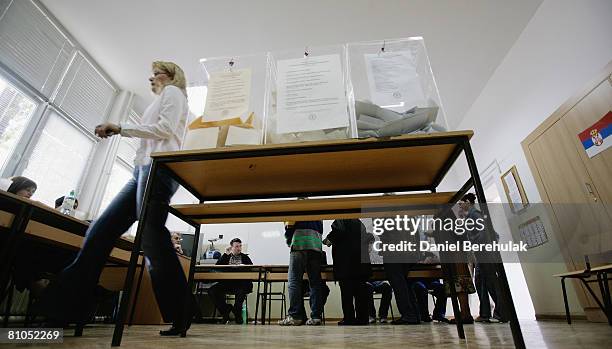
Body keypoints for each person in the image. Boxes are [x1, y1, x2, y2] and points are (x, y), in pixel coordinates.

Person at [37, 61, 193, 336]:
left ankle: (181, 313)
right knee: (100, 231)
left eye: (157, 73)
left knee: (151, 236)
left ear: (171, 76)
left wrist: (120, 128)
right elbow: (153, 134)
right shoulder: (161, 99)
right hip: (142, 169)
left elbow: (165, 129)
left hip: (158, 169)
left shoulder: (174, 93)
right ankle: (64, 309)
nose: (151, 78)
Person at [459, 193, 503, 323]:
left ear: (467, 201)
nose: (460, 206)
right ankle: (485, 313)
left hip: (485, 254)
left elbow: (485, 234)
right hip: (483, 254)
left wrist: (474, 244)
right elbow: (495, 235)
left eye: (461, 203)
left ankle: (502, 312)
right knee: (480, 282)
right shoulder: (472, 216)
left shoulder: (474, 215)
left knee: (491, 282)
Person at [324, 219, 373, 326]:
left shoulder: (340, 221)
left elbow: (338, 232)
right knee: (361, 293)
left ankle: (349, 318)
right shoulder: (359, 222)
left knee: (347, 293)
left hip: (346, 264)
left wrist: (328, 239)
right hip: (361, 264)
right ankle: (362, 318)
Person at [279, 221, 323, 326]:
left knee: (294, 281)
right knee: (315, 282)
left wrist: (289, 241)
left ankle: (295, 316)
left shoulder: (294, 204)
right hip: (316, 244)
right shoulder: (319, 205)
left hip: (299, 243)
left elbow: (289, 225)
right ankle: (316, 317)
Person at [209, 238, 253, 324]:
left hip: (241, 284)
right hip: (227, 283)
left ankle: (237, 313)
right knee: (212, 290)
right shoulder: (226, 256)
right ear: (231, 247)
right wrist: (225, 254)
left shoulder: (245, 257)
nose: (239, 248)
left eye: (240, 246)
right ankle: (225, 309)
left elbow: (251, 269)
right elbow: (216, 267)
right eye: (236, 246)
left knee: (241, 291)